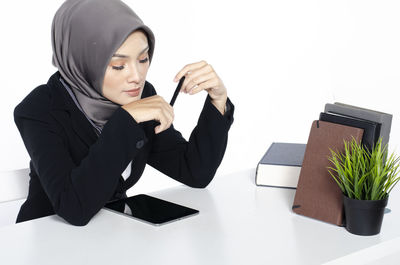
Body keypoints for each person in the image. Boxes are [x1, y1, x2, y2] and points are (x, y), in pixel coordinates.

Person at [14, 0, 234, 226]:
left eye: (143, 59)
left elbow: (195, 172)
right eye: (119, 66)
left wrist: (218, 100)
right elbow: (74, 207)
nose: (137, 76)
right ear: (83, 60)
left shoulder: (140, 95)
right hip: (45, 242)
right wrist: (127, 119)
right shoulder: (39, 109)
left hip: (113, 235)